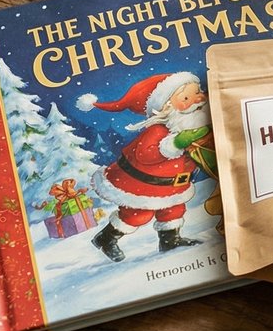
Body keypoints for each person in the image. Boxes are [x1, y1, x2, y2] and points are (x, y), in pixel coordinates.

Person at [77, 72, 212, 262]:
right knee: (138, 214)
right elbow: (145, 154)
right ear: (167, 106)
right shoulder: (158, 131)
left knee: (173, 209)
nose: (198, 99)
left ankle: (170, 240)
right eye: (187, 98)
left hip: (173, 185)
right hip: (143, 187)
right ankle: (105, 238)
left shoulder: (193, 129)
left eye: (198, 92)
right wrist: (175, 144)